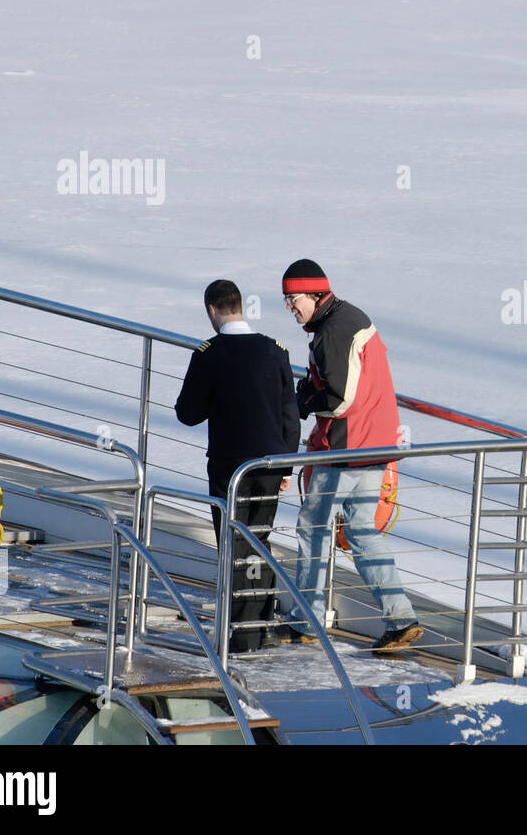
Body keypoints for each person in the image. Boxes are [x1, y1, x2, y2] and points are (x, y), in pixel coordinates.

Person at [281, 258, 422, 652]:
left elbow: (339, 397)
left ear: (316, 293)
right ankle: (400, 618)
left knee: (313, 529)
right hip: (376, 445)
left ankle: (306, 621)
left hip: (344, 448)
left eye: (295, 299)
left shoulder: (334, 331)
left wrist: (303, 401)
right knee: (361, 531)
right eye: (287, 301)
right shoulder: (349, 318)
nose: (291, 307)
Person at [175, 279, 300, 653]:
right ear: (241, 307)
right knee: (258, 541)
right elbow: (290, 416)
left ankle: (241, 633)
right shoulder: (274, 351)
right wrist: (286, 467)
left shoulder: (210, 353)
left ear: (212, 310)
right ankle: (257, 625)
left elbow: (187, 413)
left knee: (232, 544)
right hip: (269, 463)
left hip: (229, 466)